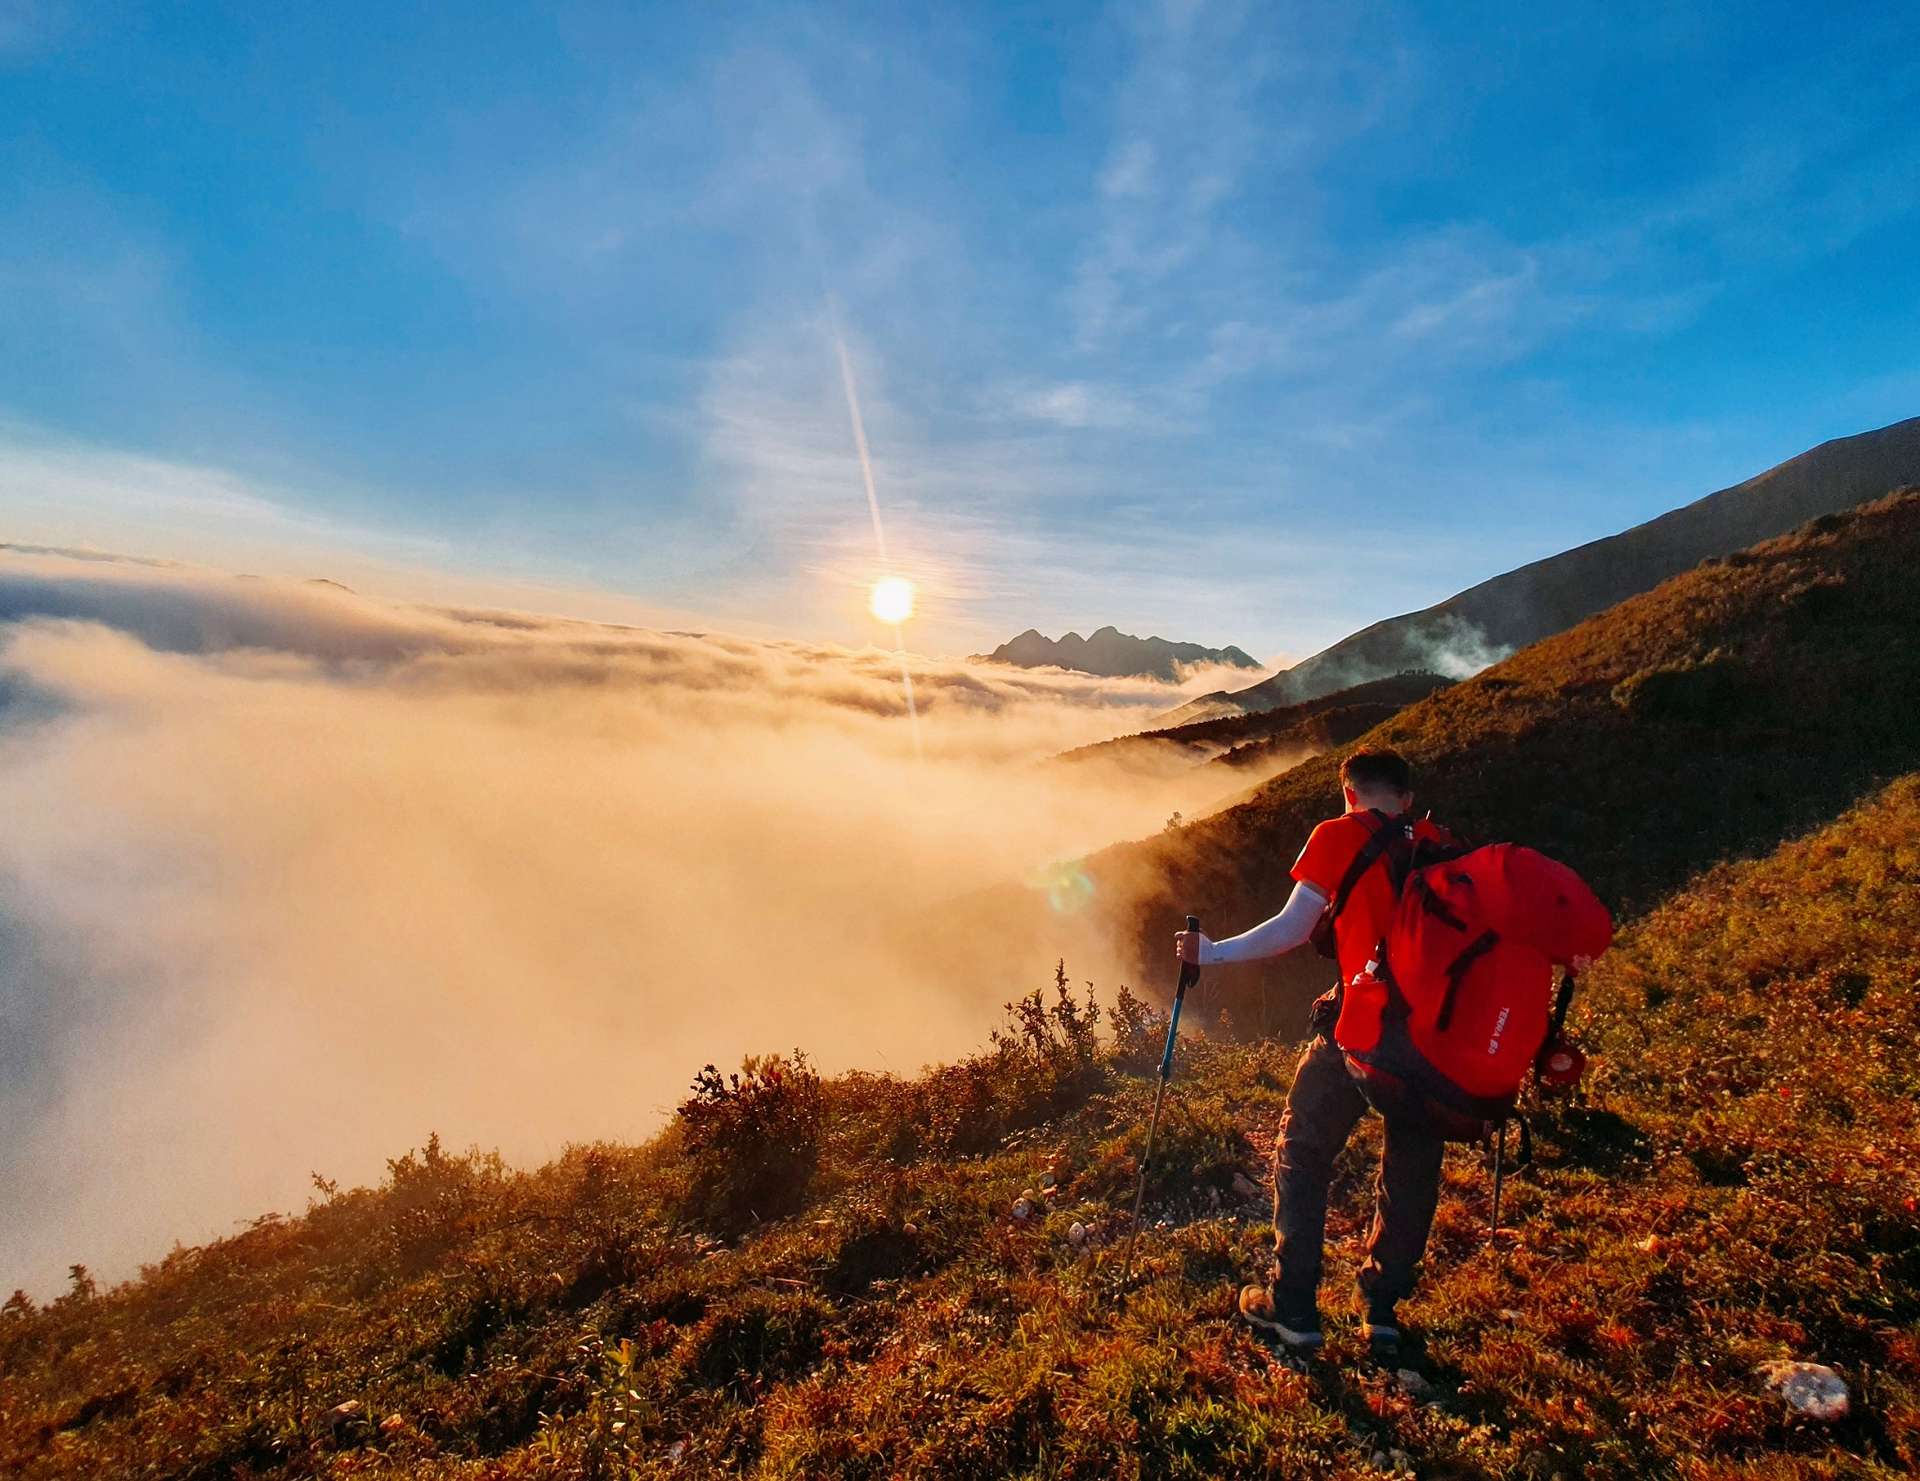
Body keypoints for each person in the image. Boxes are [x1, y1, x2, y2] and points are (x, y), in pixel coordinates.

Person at [1174, 746, 1450, 1359]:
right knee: (1410, 1169)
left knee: (1302, 1150)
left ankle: (1293, 1307)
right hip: (1433, 1041)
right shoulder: (1439, 844)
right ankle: (1381, 1312)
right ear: (1406, 799)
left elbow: (1293, 927)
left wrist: (1212, 954)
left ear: (1348, 794)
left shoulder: (1337, 833)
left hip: (1360, 1029)